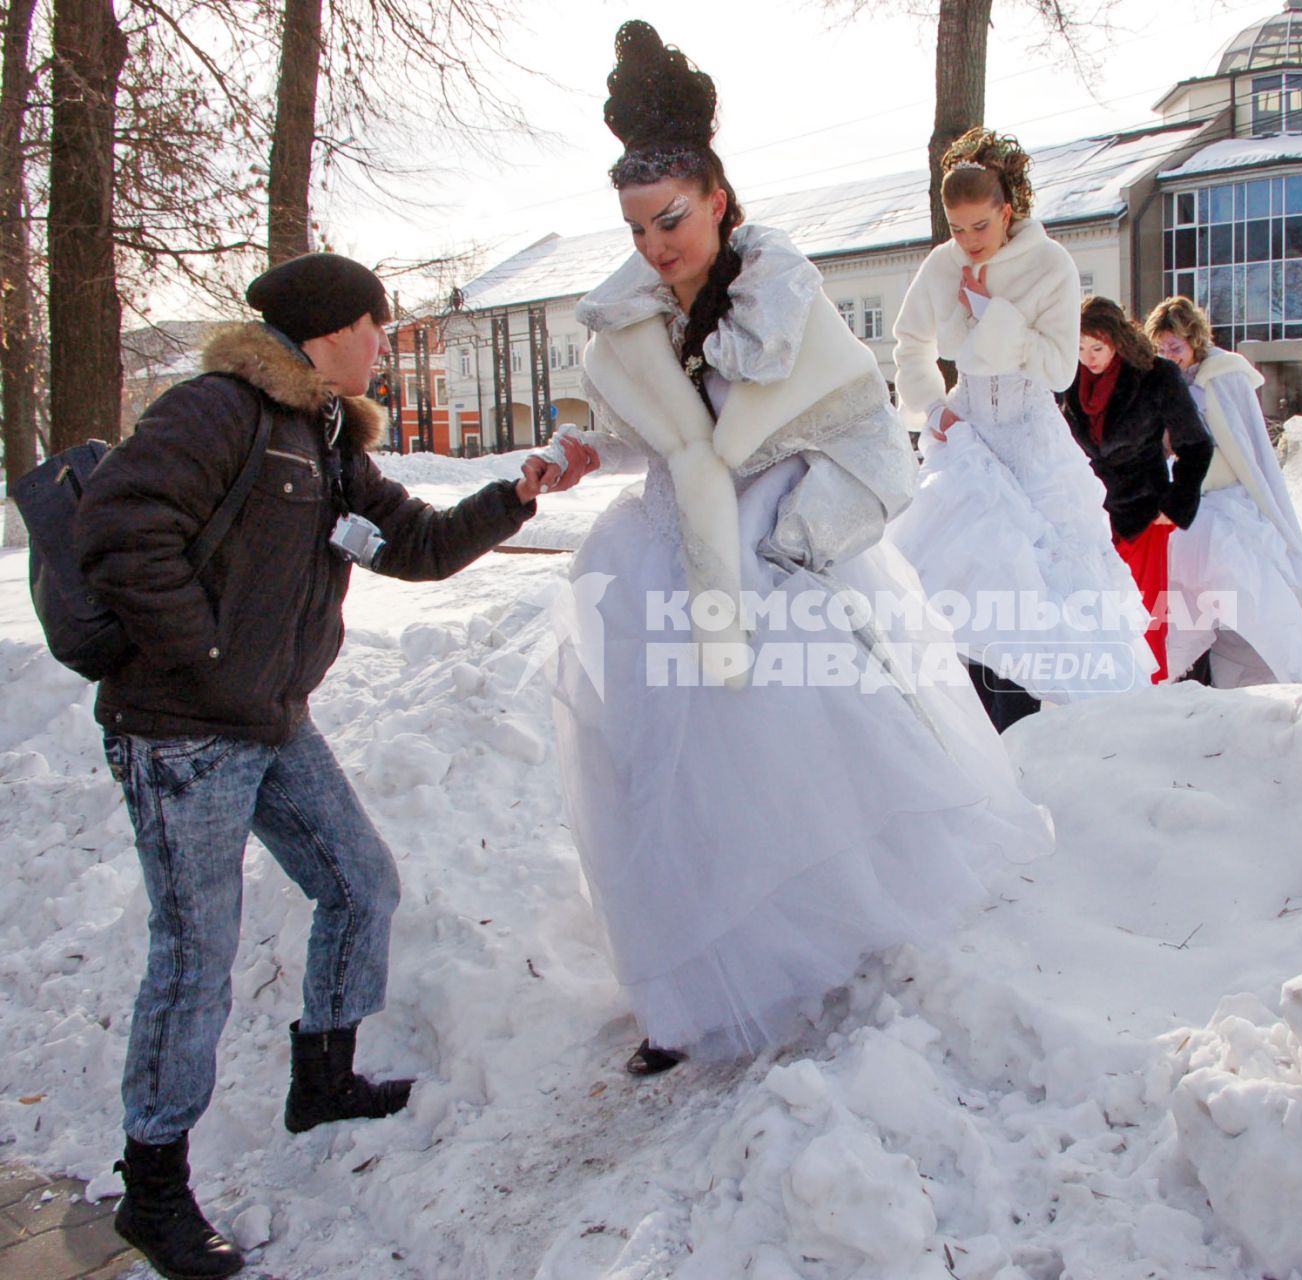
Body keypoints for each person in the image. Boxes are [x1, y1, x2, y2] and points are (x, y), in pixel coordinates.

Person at [72, 253, 597, 1279]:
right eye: (376, 325)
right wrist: (210, 654)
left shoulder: (324, 436)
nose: (385, 342)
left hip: (267, 721)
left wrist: (517, 493)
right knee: (195, 953)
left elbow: (414, 542)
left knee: (360, 881)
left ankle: (325, 1076)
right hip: (183, 730)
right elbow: (120, 527)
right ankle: (154, 1185)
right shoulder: (217, 411)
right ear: (328, 330)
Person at [542, 23, 1050, 1078]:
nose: (655, 244)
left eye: (670, 218)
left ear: (718, 198)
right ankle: (684, 988)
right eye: (636, 228)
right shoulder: (633, 318)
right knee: (663, 786)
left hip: (784, 552)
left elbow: (864, 431)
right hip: (669, 562)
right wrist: (585, 446)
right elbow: (655, 433)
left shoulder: (785, 296)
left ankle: (817, 948)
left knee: (796, 769)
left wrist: (795, 544)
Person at [886, 128, 1152, 728]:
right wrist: (935, 409)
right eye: (956, 228)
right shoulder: (941, 265)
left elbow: (1059, 370)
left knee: (1041, 595)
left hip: (1033, 450)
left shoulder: (1051, 264)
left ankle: (1040, 732)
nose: (968, 241)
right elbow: (909, 345)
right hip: (967, 442)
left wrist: (990, 313)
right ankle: (972, 732)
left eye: (980, 226)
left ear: (1007, 211)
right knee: (956, 587)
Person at [1143, 295, 1302, 686]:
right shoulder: (1168, 381)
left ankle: (1278, 671)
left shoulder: (1223, 375)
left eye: (1176, 347)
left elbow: (1245, 445)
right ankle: (1187, 672)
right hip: (1191, 498)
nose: (1170, 355)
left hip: (1228, 499)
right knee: (1185, 589)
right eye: (1162, 348)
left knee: (1244, 582)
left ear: (1194, 338)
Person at [1058, 296, 1210, 683]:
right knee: (1097, 621)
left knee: (1146, 619)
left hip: (1143, 517)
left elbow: (1196, 444)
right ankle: (1104, 702)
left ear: (1117, 339)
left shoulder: (1156, 375)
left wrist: (1174, 505)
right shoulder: (1067, 382)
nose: (1088, 357)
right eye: (1079, 349)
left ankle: (1148, 704)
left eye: (1097, 347)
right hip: (1090, 519)